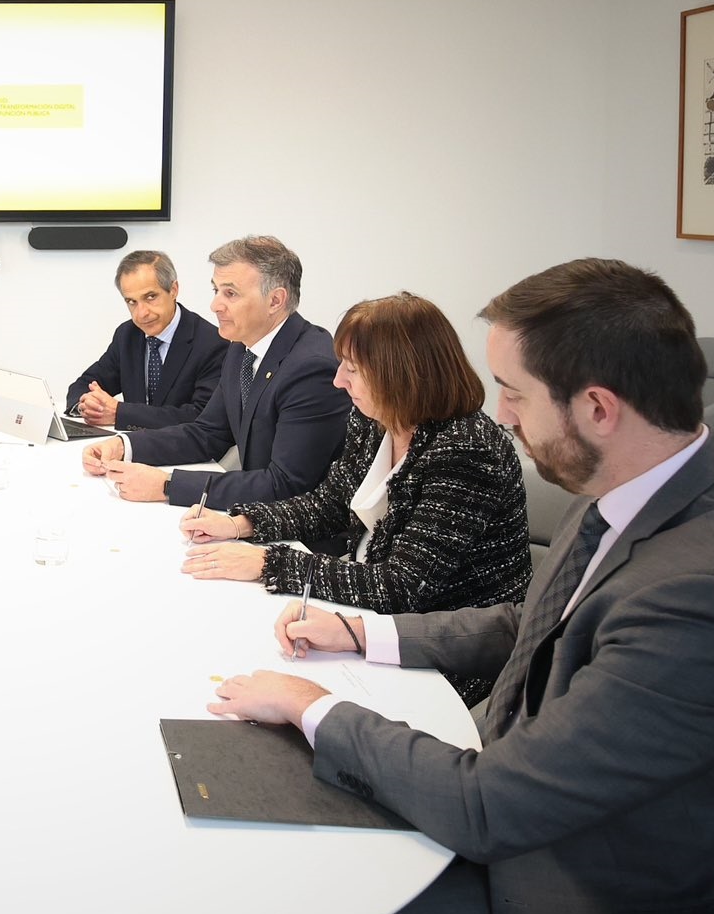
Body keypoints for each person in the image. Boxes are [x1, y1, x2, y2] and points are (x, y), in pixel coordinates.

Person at [207, 259, 714, 914]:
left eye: (513, 392)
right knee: (271, 871)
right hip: (545, 814)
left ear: (598, 408)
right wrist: (362, 632)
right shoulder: (643, 483)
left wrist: (312, 706)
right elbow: (530, 620)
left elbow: (488, 806)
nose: (501, 415)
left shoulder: (709, 597)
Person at [179, 292, 529, 704]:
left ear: (402, 374)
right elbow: (330, 503)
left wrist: (267, 562)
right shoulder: (375, 418)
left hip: (441, 656)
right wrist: (242, 524)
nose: (338, 381)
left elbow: (401, 586)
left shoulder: (466, 450)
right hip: (369, 617)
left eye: (353, 369)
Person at [81, 235, 349, 506]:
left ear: (275, 300)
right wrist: (124, 446)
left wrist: (167, 485)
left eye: (230, 293)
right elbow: (207, 433)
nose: (215, 306)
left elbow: (286, 484)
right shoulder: (240, 348)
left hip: (300, 525)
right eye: (216, 291)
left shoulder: (311, 368)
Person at [64, 248, 229, 430]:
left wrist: (120, 413)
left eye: (150, 297)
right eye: (131, 302)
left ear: (173, 290)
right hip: (130, 443)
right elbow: (84, 384)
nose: (141, 313)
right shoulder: (127, 334)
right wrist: (87, 405)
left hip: (179, 447)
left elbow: (201, 416)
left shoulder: (212, 343)